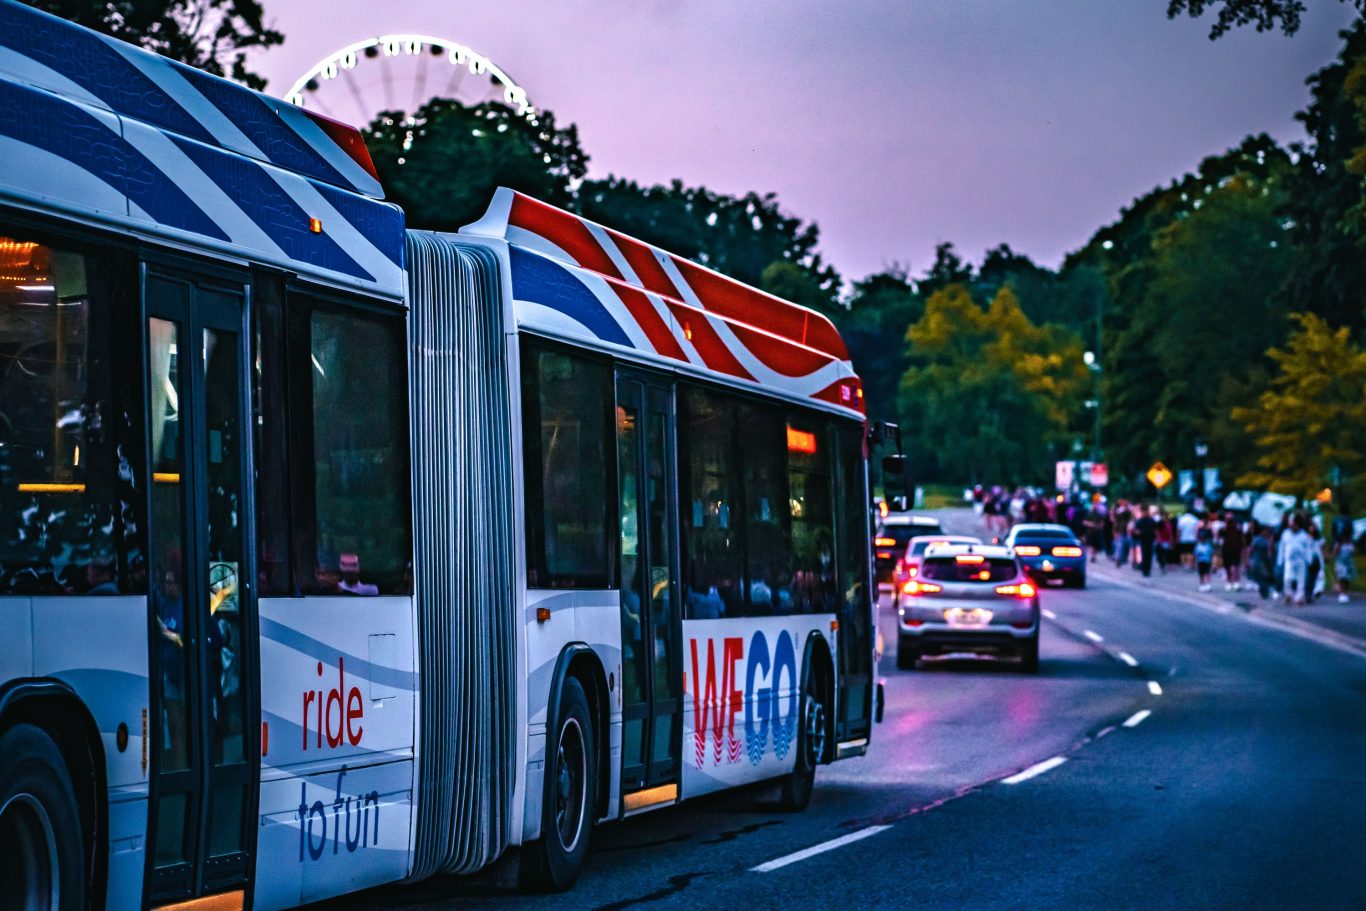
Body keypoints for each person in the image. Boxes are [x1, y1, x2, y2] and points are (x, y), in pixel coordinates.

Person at [1278, 516, 1313, 606]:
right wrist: (1280, 559)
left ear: (1297, 524)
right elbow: (1282, 547)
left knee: (1301, 580)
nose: (1290, 524)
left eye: (1292, 522)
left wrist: (1309, 560)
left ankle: (1299, 597)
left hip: (1301, 560)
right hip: (1289, 560)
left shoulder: (1304, 535)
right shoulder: (1285, 534)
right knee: (1287, 579)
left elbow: (1308, 548)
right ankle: (1288, 595)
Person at [1248, 524, 1275, 600]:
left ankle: (1264, 592)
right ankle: (1264, 592)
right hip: (1259, 561)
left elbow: (1270, 551)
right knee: (1261, 577)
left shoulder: (1267, 540)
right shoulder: (1258, 539)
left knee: (1263, 577)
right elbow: (1251, 549)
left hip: (1265, 561)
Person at [1220, 513, 1245, 591]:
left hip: (1229, 548)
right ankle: (1235, 582)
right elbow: (1242, 539)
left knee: (1230, 566)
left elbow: (1219, 537)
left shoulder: (1225, 528)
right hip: (1233, 548)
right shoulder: (1237, 527)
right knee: (1234, 566)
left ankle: (1230, 582)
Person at [1333, 520, 1356, 604]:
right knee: (1342, 578)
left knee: (1347, 578)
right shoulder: (1339, 542)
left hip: (1348, 562)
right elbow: (1335, 552)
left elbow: (1354, 551)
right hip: (1341, 562)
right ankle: (1342, 593)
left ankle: (1346, 592)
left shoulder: (1350, 542)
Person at [1304, 525, 1327, 604]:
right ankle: (1308, 594)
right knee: (1309, 578)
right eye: (1311, 527)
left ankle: (1317, 591)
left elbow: (1323, 550)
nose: (1312, 529)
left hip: (1318, 560)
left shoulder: (1320, 539)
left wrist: (1324, 558)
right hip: (1309, 560)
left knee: (1318, 577)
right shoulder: (1305, 537)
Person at [1134, 505, 1157, 578]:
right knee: (1148, 555)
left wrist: (1139, 533)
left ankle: (1145, 570)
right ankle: (1146, 570)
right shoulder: (1150, 520)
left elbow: (1136, 530)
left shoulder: (1141, 520)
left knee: (1145, 555)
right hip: (1148, 539)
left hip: (1145, 539)